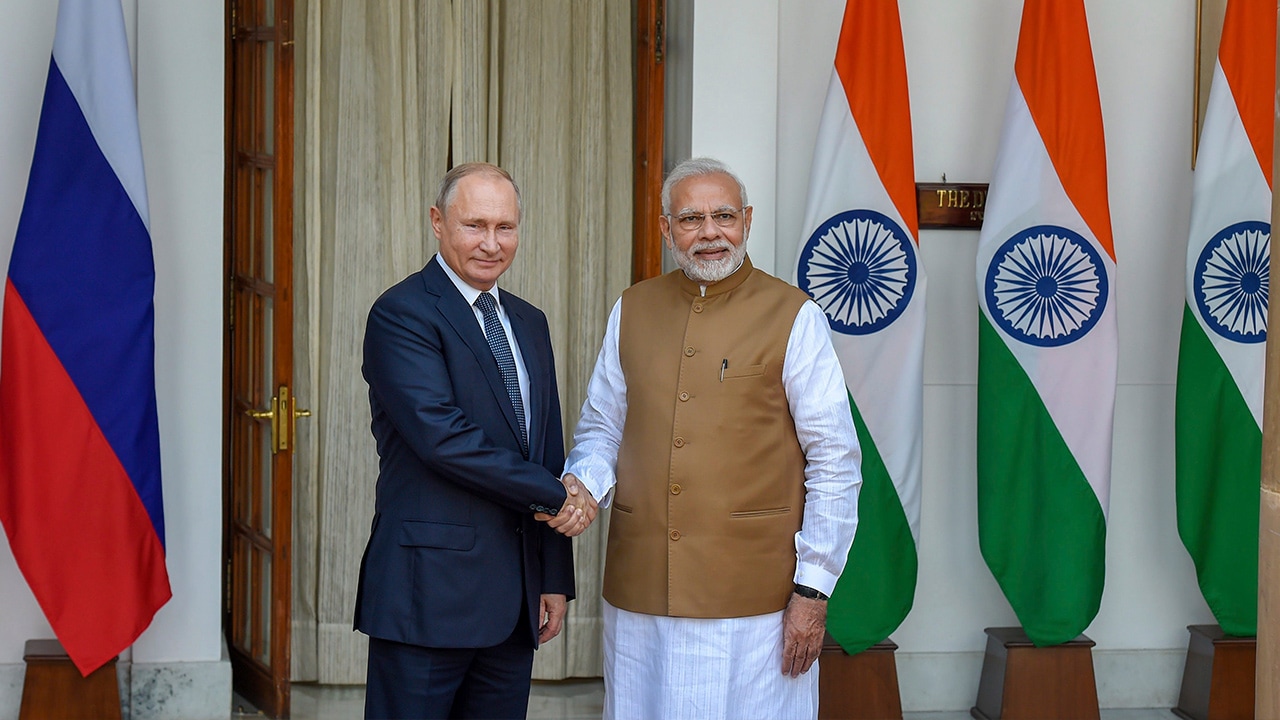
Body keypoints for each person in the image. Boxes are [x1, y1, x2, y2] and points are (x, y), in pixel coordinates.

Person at [563, 157, 862, 719]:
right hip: (641, 590)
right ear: (665, 228)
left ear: (747, 220)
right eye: (691, 219)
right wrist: (583, 486)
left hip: (756, 599)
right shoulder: (633, 308)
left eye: (723, 216)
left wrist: (814, 590)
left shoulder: (794, 315)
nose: (709, 233)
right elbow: (604, 426)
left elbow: (836, 460)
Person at [354, 162, 594, 720]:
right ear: (438, 222)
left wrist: (553, 574)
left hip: (513, 604)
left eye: (505, 227)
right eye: (475, 226)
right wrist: (560, 496)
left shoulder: (529, 321)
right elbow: (443, 438)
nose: (491, 243)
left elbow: (546, 447)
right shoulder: (402, 313)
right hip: (428, 597)